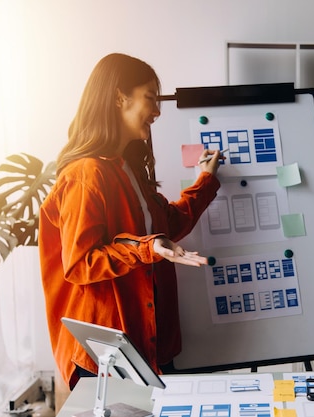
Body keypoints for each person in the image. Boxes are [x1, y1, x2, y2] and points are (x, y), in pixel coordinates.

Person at [39, 53, 224, 389]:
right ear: (118, 96)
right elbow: (81, 264)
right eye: (150, 98)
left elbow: (168, 225)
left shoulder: (127, 168)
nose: (157, 111)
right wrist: (146, 248)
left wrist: (205, 181)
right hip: (107, 357)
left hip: (144, 344)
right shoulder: (86, 174)